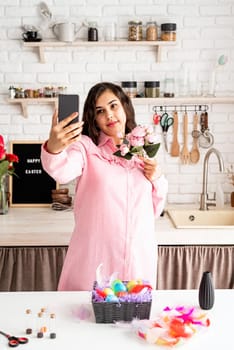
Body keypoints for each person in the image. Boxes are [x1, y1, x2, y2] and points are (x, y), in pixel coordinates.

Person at [41, 82, 168, 291]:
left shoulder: (141, 150)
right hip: (95, 262)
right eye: (100, 111)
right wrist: (54, 148)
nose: (109, 115)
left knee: (135, 320)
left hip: (137, 261)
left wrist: (156, 176)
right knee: (85, 319)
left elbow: (155, 209)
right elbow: (61, 171)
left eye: (113, 106)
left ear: (125, 107)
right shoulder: (85, 148)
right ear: (94, 118)